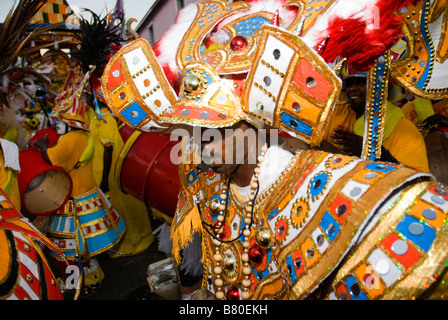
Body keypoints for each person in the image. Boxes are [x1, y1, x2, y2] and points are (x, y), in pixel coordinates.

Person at [101, 0, 448, 300]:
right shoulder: (201, 180)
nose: (199, 146)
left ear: (254, 126)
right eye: (191, 131)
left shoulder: (322, 186)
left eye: (214, 131)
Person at [33, 72, 125, 297]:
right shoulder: (83, 136)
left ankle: (90, 280)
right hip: (86, 193)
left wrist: (44, 146)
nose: (57, 125)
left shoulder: (72, 139)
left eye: (60, 120)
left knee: (73, 247)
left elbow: (53, 158)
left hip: (74, 200)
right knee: (81, 248)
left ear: (68, 121)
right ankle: (89, 278)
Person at [86, 89, 154, 257]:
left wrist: (104, 181)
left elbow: (108, 150)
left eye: (86, 94)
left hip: (110, 173)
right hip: (99, 170)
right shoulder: (94, 115)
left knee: (123, 207)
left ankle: (135, 242)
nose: (83, 98)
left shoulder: (105, 118)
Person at [324, 74, 430, 172]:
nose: (352, 88)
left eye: (362, 83)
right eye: (349, 84)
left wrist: (376, 154)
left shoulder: (405, 130)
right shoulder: (336, 113)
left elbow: (416, 178)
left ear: (383, 88)